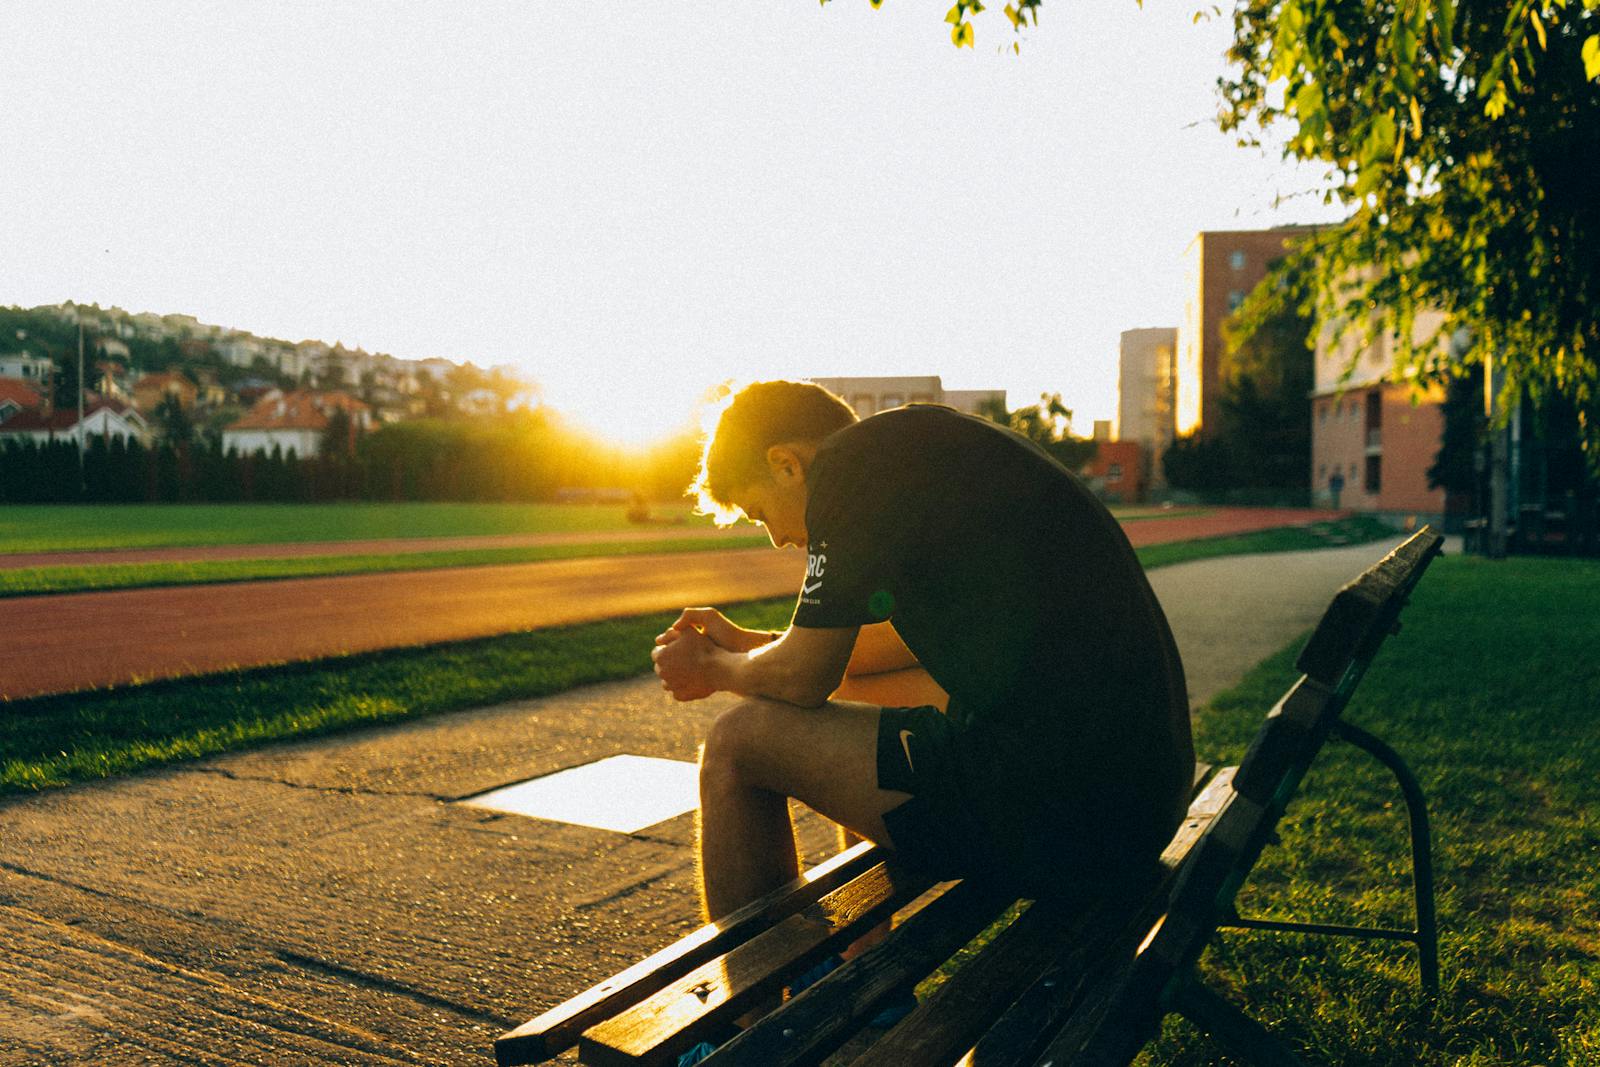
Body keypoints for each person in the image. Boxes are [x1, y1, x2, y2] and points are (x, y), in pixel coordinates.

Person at [651, 380, 1195, 933]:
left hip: (1071, 820)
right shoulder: (922, 449)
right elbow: (866, 656)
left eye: (760, 511)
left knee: (736, 742)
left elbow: (804, 679)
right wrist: (750, 644)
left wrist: (714, 669)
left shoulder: (844, 470)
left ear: (786, 464)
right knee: (861, 695)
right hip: (1141, 795)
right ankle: (865, 981)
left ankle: (757, 1019)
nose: (778, 539)